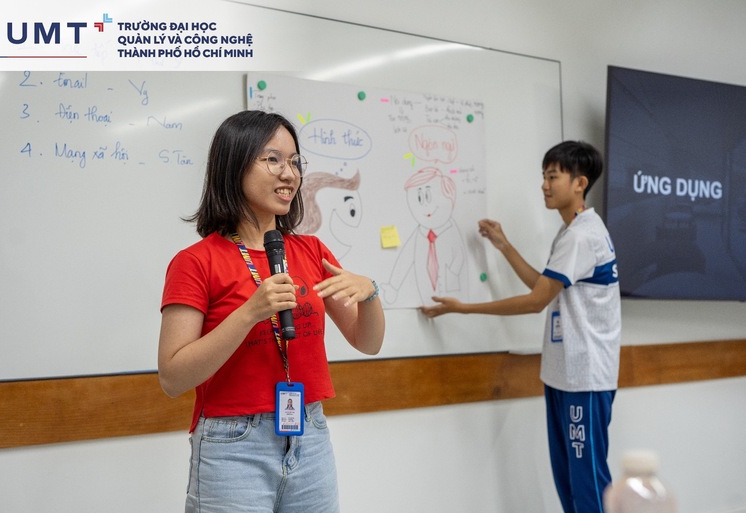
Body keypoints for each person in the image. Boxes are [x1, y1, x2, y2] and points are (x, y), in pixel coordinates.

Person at [158, 110, 385, 513]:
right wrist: (250, 313)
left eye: (295, 162)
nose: (290, 174)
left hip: (309, 433)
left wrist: (371, 294)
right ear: (234, 164)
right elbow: (173, 378)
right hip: (233, 445)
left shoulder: (311, 250)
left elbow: (368, 343)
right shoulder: (195, 262)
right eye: (273, 159)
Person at [420, 140, 620, 513]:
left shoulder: (583, 235)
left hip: (586, 377)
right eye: (544, 176)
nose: (544, 185)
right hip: (564, 374)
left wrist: (465, 309)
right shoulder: (571, 232)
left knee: (588, 482)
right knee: (568, 481)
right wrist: (504, 245)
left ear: (580, 183)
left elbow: (536, 301)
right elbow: (543, 286)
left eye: (553, 177)